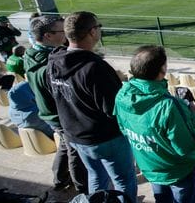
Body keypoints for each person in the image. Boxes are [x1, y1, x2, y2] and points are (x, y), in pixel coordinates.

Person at [47, 11, 137, 202]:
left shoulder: (54, 61)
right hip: (104, 138)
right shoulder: (96, 67)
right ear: (91, 32)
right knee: (123, 181)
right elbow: (113, 109)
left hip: (75, 135)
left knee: (96, 176)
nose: (99, 30)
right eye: (98, 27)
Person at [114, 45, 195, 203]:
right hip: (177, 170)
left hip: (149, 165)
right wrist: (193, 116)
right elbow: (185, 147)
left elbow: (123, 128)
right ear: (162, 70)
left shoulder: (122, 95)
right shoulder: (168, 106)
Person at [25, 15, 88, 194]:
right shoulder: (49, 61)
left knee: (65, 145)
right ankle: (83, 188)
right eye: (62, 31)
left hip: (50, 113)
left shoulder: (32, 54)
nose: (66, 34)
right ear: (48, 36)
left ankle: (60, 179)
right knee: (74, 151)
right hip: (59, 114)